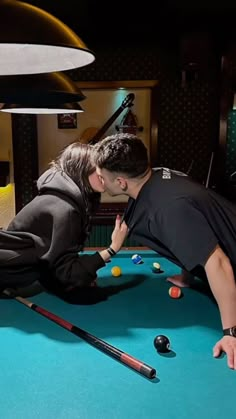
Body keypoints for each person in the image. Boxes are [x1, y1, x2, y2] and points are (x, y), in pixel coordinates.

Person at [93, 132, 236, 369]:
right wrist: (187, 273)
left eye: (102, 177)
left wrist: (231, 332)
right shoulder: (158, 175)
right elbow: (194, 234)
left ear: (120, 182)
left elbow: (218, 262)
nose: (100, 182)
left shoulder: (167, 208)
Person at [0, 142, 127, 303]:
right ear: (81, 170)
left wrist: (73, 280)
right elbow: (67, 274)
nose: (103, 172)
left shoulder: (62, 199)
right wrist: (112, 248)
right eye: (98, 167)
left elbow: (51, 260)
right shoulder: (65, 209)